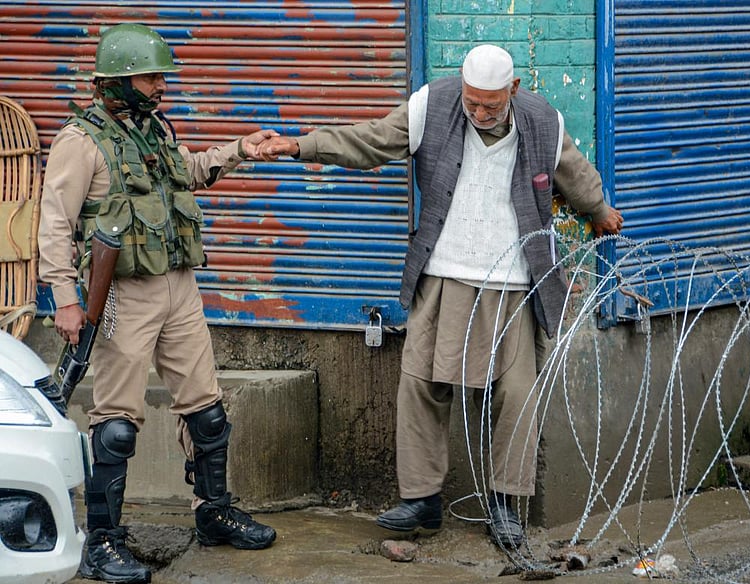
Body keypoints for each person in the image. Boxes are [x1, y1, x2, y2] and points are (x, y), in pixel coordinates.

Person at [260, 43, 623, 549]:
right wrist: (301, 146)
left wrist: (599, 209)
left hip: (513, 281)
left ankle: (504, 505)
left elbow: (574, 173)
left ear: (513, 91)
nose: (477, 113)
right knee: (421, 384)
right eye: (472, 102)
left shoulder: (543, 120)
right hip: (444, 273)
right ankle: (422, 500)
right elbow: (368, 142)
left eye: (490, 106)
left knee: (516, 394)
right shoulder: (431, 105)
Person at [38, 23, 277, 583]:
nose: (160, 86)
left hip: (178, 285)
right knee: (117, 423)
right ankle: (102, 541)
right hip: (122, 294)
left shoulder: (152, 131)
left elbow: (186, 174)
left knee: (208, 412)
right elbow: (54, 224)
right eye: (150, 76)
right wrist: (67, 301)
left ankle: (212, 512)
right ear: (118, 79)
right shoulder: (81, 140)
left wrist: (239, 150)